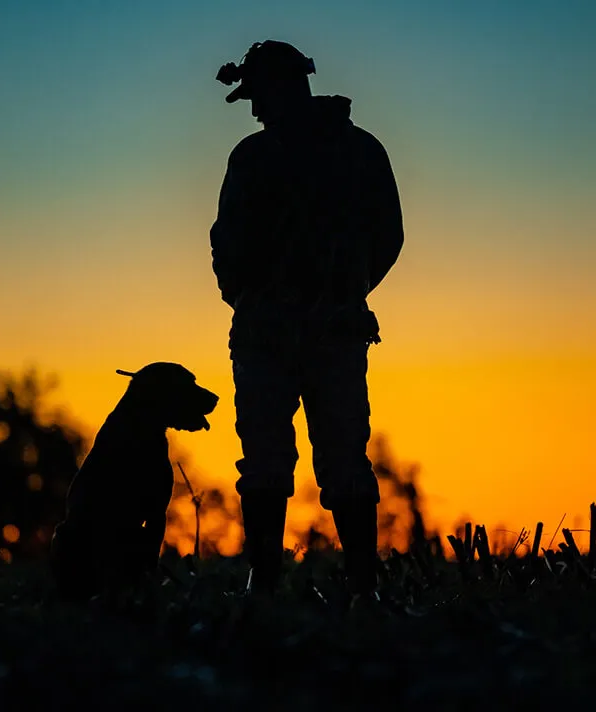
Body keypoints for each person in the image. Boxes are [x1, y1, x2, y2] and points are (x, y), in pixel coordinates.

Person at [210, 40, 404, 598]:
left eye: (258, 95)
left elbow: (385, 236)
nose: (253, 109)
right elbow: (228, 242)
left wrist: (339, 296)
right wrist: (253, 300)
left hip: (315, 330)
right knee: (282, 458)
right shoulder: (266, 155)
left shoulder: (349, 152)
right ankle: (272, 583)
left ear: (284, 87)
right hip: (276, 330)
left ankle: (351, 586)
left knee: (332, 456)